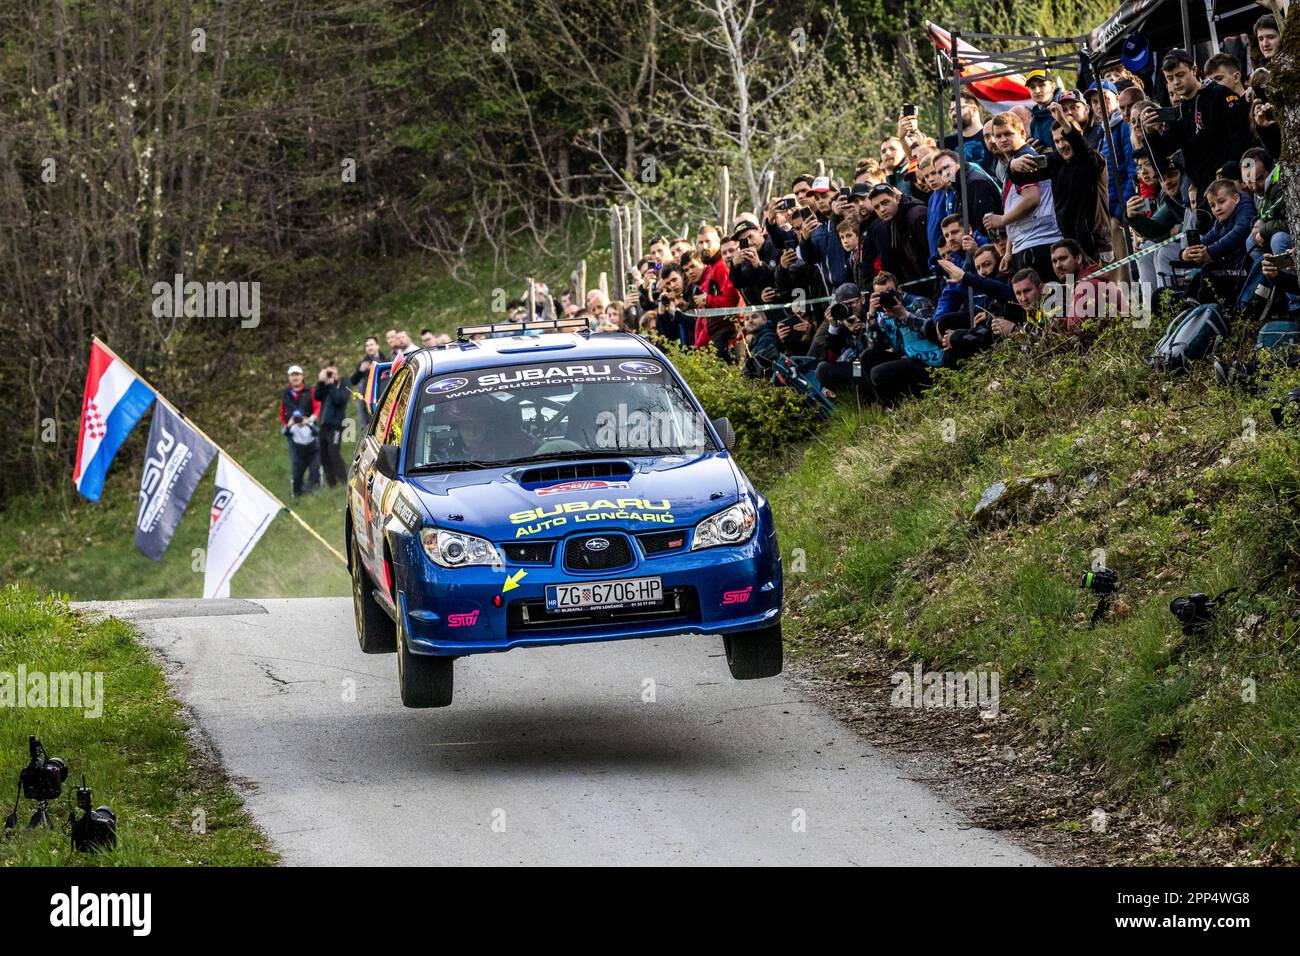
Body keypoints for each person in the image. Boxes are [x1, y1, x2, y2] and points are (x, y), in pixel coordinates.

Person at [1139, 49, 1252, 195]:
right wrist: (1150, 132)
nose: (1176, 82)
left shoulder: (1218, 94)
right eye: (1170, 78)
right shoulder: (1179, 110)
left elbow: (1240, 138)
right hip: (1202, 190)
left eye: (1180, 75)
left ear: (1193, 70)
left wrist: (1230, 172)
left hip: (1228, 183)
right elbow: (1165, 150)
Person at [983, 111, 1061, 280]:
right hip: (1027, 242)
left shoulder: (1024, 160)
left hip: (1039, 242)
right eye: (998, 136)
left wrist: (1002, 220)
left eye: (1008, 134)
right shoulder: (1012, 163)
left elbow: (1032, 199)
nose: (1002, 139)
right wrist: (1009, 251)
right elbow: (1015, 204)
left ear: (1022, 133)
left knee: (1047, 303)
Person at [314, 363, 351, 487]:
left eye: (332, 372)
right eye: (327, 372)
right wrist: (321, 382)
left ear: (337, 371)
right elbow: (317, 397)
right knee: (323, 454)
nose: (330, 375)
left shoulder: (344, 382)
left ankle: (345, 480)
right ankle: (332, 484)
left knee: (333, 452)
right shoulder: (325, 385)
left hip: (336, 425)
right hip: (324, 425)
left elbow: (340, 399)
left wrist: (331, 385)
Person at [285, 411, 320, 498]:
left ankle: (312, 490)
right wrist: (289, 425)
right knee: (297, 475)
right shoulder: (292, 427)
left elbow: (316, 432)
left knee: (314, 471)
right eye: (296, 419)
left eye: (299, 418)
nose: (298, 421)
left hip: (312, 451)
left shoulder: (309, 424)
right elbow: (285, 433)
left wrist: (308, 424)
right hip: (300, 453)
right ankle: (297, 493)